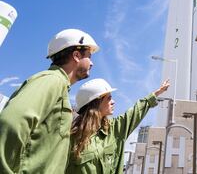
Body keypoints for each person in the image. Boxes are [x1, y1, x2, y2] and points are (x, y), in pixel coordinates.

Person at [0, 29, 99, 174]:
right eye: (89, 57)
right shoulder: (52, 80)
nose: (92, 63)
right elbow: (11, 122)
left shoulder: (59, 86)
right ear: (77, 55)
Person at [65, 78, 170, 174]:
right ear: (96, 103)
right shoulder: (71, 137)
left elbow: (135, 111)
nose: (113, 102)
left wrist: (157, 93)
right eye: (109, 98)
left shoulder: (114, 129)